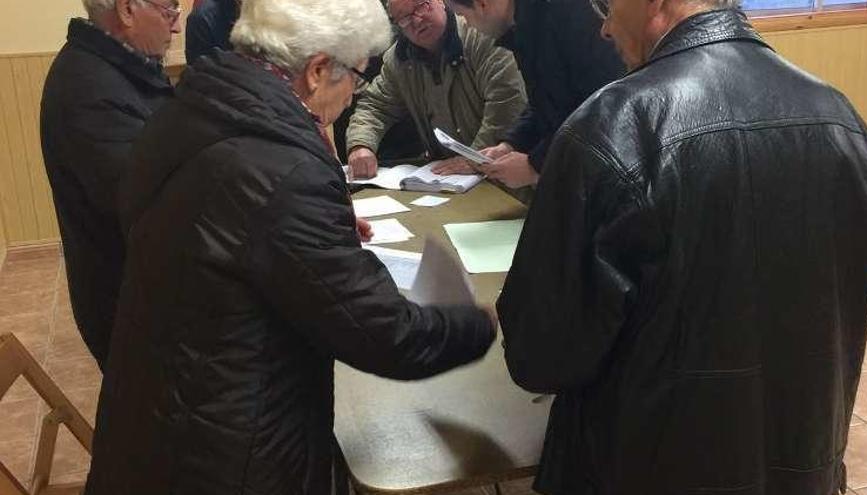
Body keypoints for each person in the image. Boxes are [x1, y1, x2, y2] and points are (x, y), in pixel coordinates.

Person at [84, 0, 497, 493]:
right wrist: (477, 325)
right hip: (228, 455)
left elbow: (231, 235)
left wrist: (315, 232)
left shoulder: (191, 109)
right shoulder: (283, 169)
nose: (352, 98)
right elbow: (383, 334)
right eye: (355, 79)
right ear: (318, 71)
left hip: (158, 421)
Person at [496, 0, 867, 493]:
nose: (605, 28)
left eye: (610, 7)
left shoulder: (611, 126)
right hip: (803, 468)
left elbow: (539, 354)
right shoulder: (842, 119)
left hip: (640, 472)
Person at [40, 0, 180, 369]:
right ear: (128, 10)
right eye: (170, 11)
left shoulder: (119, 68)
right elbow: (157, 209)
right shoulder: (91, 90)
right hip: (132, 313)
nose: (177, 27)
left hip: (142, 299)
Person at [448, 0, 623, 188]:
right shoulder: (524, 28)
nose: (466, 24)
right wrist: (511, 144)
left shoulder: (567, 14)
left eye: (463, 15)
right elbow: (544, 104)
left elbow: (602, 107)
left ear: (482, 4)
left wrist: (536, 165)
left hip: (610, 177)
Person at [346, 0, 526, 179]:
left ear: (441, 1)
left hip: (505, 173)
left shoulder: (482, 35)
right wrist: (360, 145)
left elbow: (508, 100)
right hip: (446, 178)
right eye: (405, 19)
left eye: (421, 6)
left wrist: (473, 157)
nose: (416, 21)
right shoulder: (399, 61)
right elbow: (375, 106)